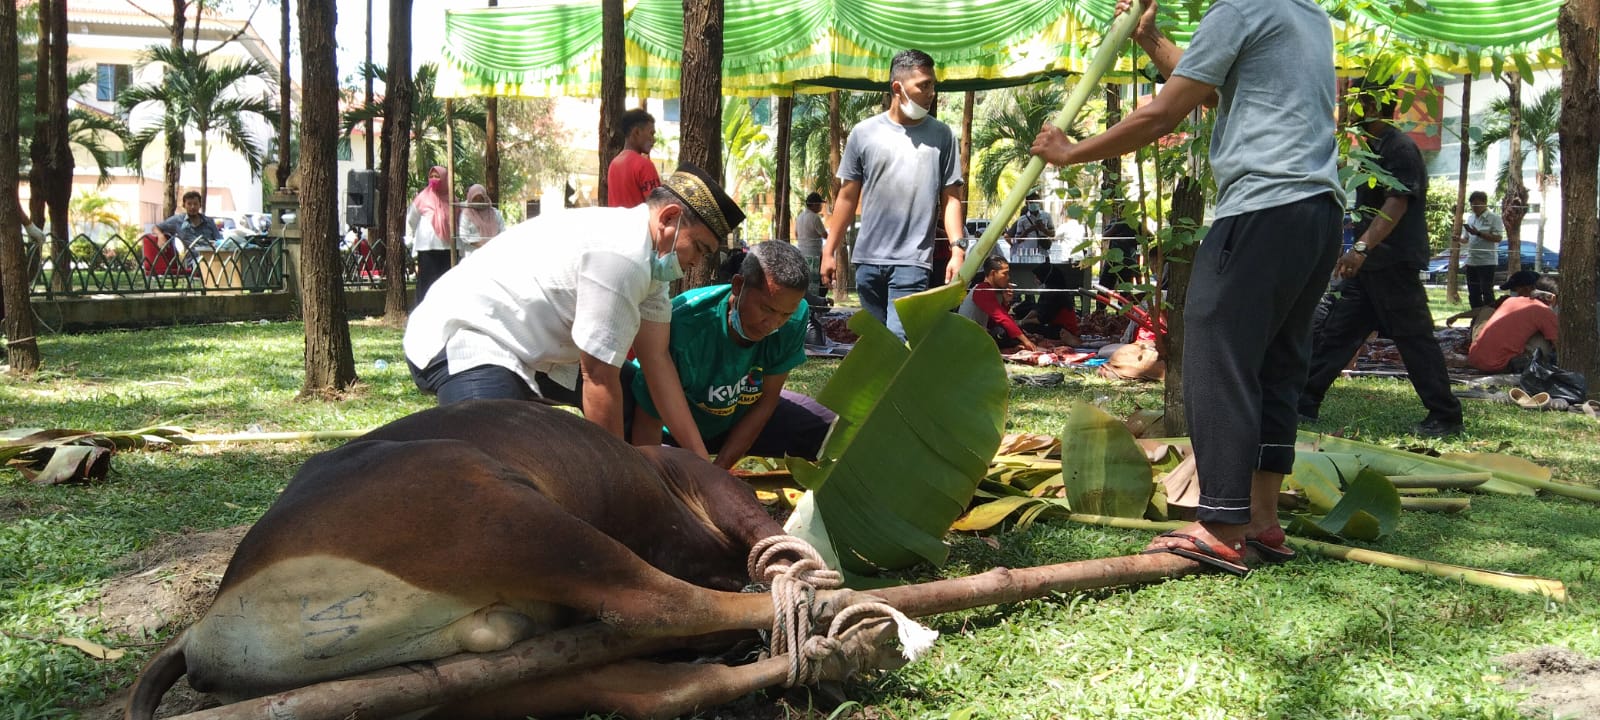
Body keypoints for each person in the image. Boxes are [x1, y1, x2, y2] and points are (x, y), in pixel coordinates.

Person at [1030, 0, 1344, 572]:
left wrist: (1070, 153)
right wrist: (1152, 42)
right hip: (1317, 212)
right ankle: (1262, 520)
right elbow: (1224, 89)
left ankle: (1221, 524)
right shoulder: (1306, 14)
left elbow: (1164, 114)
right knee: (1277, 363)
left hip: (1261, 208)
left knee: (1214, 355)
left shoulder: (1239, 9)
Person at [404, 163, 745, 452]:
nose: (696, 262)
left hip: (535, 354)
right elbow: (597, 377)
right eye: (698, 247)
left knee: (634, 393)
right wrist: (621, 477)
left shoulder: (652, 262)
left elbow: (657, 363)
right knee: (500, 459)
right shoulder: (623, 255)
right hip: (467, 338)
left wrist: (703, 463)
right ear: (669, 218)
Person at [1299, 79, 1464, 439]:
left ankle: (1445, 414)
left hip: (1392, 263)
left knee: (1414, 339)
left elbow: (1397, 201)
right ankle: (1304, 402)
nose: (1345, 108)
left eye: (1352, 102)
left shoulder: (1400, 148)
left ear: (1372, 107)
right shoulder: (1371, 150)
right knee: (1337, 333)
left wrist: (1361, 248)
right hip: (1371, 266)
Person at [624, 241, 837, 469]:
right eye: (767, 309)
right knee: (667, 475)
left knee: (831, 431)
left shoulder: (795, 318)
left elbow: (767, 400)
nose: (773, 324)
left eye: (785, 314)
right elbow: (648, 423)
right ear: (738, 285)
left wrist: (721, 471)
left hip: (738, 417)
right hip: (674, 432)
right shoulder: (684, 326)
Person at [821, 48, 966, 341]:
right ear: (897, 88)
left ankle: (902, 387)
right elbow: (847, 197)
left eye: (933, 85)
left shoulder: (942, 136)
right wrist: (829, 250)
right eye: (923, 85)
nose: (932, 92)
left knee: (896, 343)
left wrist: (958, 248)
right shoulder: (864, 133)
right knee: (876, 345)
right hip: (868, 262)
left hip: (912, 262)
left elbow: (950, 198)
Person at [1466, 270, 1557, 374]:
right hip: (1498, 365)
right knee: (1545, 341)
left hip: (1475, 359)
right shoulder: (1544, 311)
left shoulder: (1509, 301)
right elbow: (1559, 345)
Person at [959, 255, 1039, 352]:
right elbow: (1002, 318)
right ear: (993, 273)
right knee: (1003, 332)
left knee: (1005, 330)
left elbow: (993, 321)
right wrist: (1025, 341)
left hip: (979, 333)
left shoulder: (992, 290)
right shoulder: (982, 290)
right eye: (1005, 274)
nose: (1008, 277)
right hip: (969, 337)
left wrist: (1005, 302)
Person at [407, 165, 452, 304]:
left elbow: (456, 221)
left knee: (445, 283)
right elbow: (411, 220)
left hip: (447, 249)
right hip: (427, 248)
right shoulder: (422, 198)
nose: (434, 179)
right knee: (426, 283)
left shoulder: (451, 199)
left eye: (437, 176)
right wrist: (410, 238)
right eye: (431, 176)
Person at [1457, 190, 1505, 309]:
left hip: (1487, 261)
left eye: (1477, 205)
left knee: (1487, 291)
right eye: (1472, 205)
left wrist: (1479, 233)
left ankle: (1489, 317)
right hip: (1472, 260)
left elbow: (1498, 238)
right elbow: (1466, 239)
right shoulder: (1471, 218)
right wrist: (1458, 239)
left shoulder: (1494, 218)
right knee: (1473, 292)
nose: (1475, 208)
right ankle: (1476, 318)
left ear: (1484, 203)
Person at [607, 109, 661, 208]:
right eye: (651, 133)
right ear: (636, 132)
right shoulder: (644, 165)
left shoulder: (613, 164)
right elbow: (658, 207)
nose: (654, 139)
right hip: (641, 223)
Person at [156, 190, 224, 255]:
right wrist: (160, 235)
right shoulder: (178, 220)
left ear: (200, 205)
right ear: (184, 205)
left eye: (195, 204)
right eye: (189, 204)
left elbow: (220, 241)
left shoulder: (209, 221)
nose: (192, 207)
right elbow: (156, 227)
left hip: (211, 257)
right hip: (193, 261)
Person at [456, 183, 504, 259]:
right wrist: (482, 245)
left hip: (494, 253)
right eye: (475, 199)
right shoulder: (466, 215)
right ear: (470, 198)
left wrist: (493, 245)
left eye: (480, 198)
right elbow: (464, 235)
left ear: (485, 198)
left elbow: (502, 231)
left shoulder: (495, 213)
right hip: (473, 255)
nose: (478, 201)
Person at [1005, 192, 1055, 264]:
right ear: (1027, 203)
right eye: (1031, 202)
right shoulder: (1022, 219)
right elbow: (1018, 240)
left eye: (1036, 202)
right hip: (1028, 256)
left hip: (1044, 254)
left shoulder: (1046, 216)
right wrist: (1029, 230)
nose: (1034, 204)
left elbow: (1053, 234)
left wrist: (1043, 229)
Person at [795, 191, 828, 296]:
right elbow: (824, 234)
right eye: (819, 204)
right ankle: (816, 303)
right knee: (815, 281)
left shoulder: (800, 216)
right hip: (814, 254)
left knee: (805, 280)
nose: (820, 207)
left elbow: (796, 234)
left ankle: (807, 301)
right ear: (813, 204)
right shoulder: (815, 217)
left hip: (802, 252)